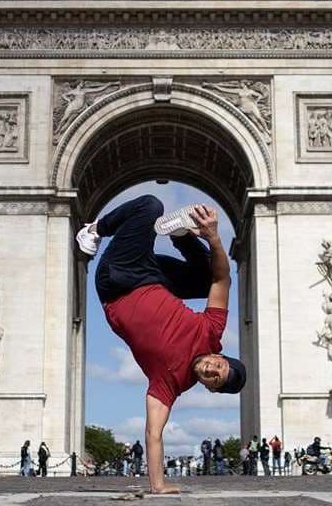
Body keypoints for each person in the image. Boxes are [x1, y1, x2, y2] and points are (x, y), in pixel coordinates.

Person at [76, 195, 247, 494]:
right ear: (219, 354)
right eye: (218, 366)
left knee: (150, 206)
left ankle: (94, 230)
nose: (210, 370)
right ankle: (180, 235)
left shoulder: (170, 384)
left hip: (118, 280)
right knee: (208, 275)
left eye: (214, 379)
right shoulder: (211, 332)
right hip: (152, 276)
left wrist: (158, 485)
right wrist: (213, 238)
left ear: (210, 389)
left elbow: (153, 433)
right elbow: (222, 281)